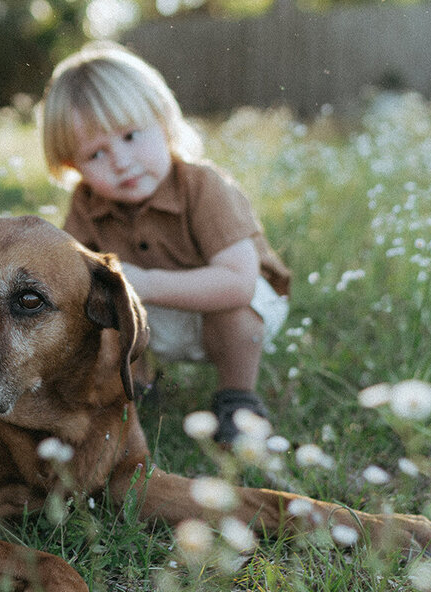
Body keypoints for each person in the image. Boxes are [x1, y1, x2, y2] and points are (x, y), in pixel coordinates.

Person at [40, 42, 290, 444]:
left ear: (164, 122)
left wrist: (145, 283)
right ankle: (133, 388)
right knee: (99, 310)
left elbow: (239, 281)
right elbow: (72, 280)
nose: (121, 161)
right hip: (152, 312)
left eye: (131, 136)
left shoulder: (204, 186)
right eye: (96, 154)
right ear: (73, 166)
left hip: (231, 301)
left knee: (237, 312)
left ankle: (237, 400)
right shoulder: (86, 205)